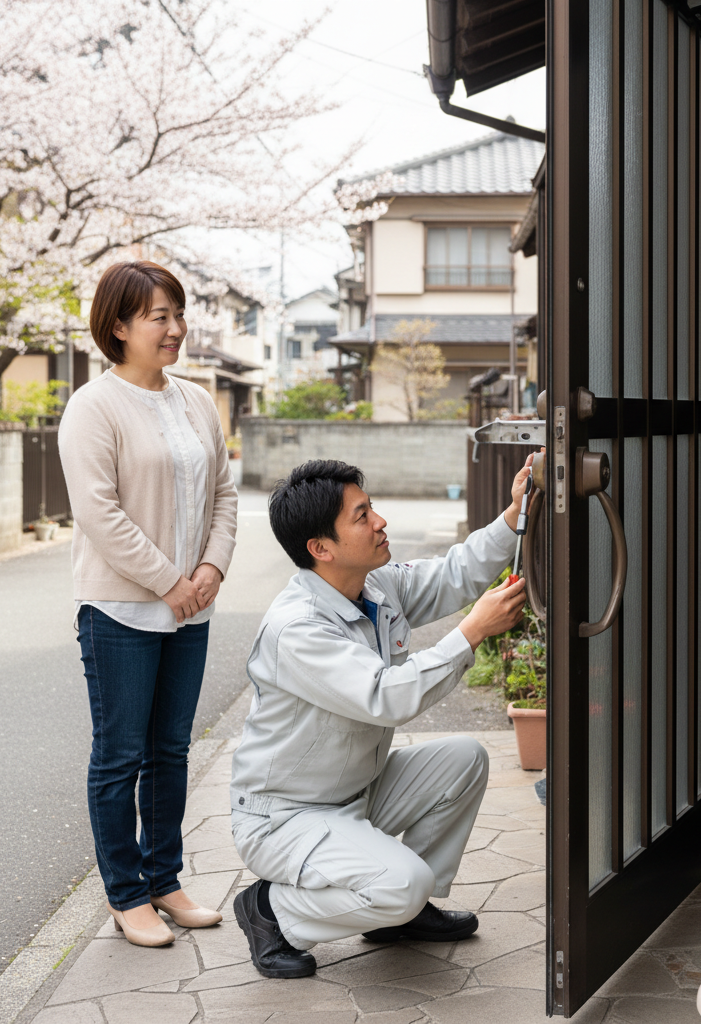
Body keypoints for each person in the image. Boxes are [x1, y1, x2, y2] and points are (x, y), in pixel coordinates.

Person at [230, 457, 532, 979]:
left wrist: (514, 513)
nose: (380, 522)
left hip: (354, 792)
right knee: (401, 884)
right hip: (286, 818)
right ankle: (271, 909)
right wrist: (472, 632)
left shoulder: (374, 587)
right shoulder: (297, 629)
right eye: (362, 515)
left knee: (463, 759)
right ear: (321, 549)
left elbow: (454, 573)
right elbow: (386, 695)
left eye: (371, 509)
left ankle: (399, 920)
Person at [59, 261, 238, 947]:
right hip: (119, 612)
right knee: (120, 754)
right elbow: (98, 514)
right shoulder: (93, 406)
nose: (175, 328)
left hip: (189, 607)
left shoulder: (196, 400)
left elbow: (224, 492)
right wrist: (170, 580)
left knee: (169, 750)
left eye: (178, 313)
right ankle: (126, 895)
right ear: (119, 326)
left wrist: (212, 567)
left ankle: (165, 878)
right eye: (159, 316)